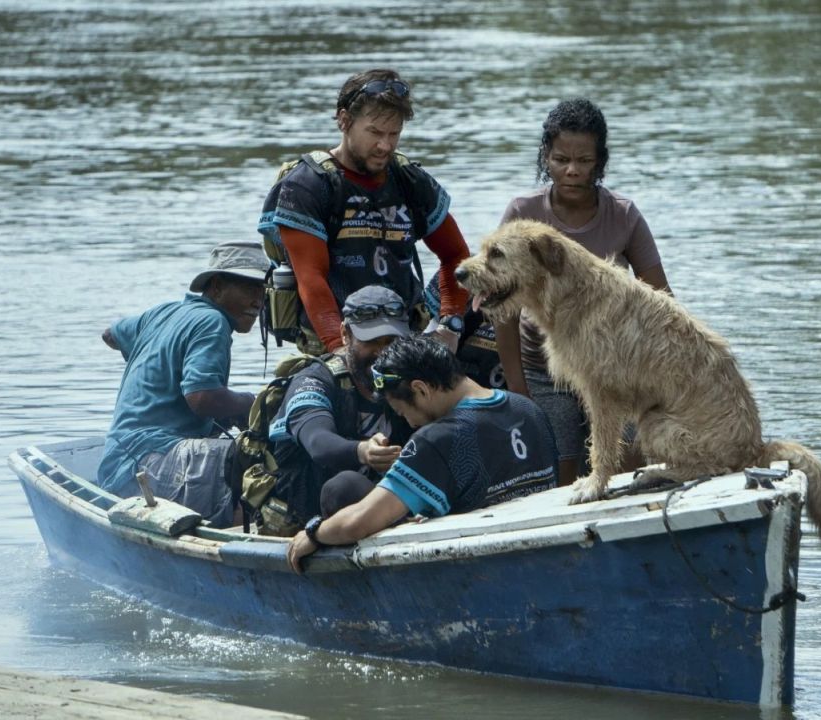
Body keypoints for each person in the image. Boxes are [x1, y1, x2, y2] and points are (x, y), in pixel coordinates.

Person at [494, 98, 673, 487]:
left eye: (584, 161)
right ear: (546, 156)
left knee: (631, 463)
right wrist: (518, 390)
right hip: (545, 369)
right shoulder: (523, 212)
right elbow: (503, 310)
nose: (572, 171)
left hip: (615, 367)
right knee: (558, 467)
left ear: (600, 161)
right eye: (560, 159)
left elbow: (662, 302)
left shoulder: (623, 215)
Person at [286, 335, 558, 573]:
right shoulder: (528, 409)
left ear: (421, 389)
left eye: (403, 412)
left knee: (342, 488)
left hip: (478, 566)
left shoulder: (437, 439)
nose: (412, 423)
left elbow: (357, 523)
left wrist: (314, 533)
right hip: (539, 546)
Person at [257, 67, 470, 356]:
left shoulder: (410, 180)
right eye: (375, 133)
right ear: (344, 121)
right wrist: (339, 350)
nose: (385, 145)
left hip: (403, 333)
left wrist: (449, 324)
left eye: (394, 134)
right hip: (336, 337)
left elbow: (456, 256)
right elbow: (311, 278)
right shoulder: (308, 185)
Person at [96, 241, 266, 527]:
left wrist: (158, 366)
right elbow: (201, 398)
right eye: (249, 288)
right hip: (149, 464)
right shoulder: (212, 322)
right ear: (216, 286)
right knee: (258, 456)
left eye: (263, 290)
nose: (258, 300)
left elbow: (110, 335)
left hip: (118, 459)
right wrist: (254, 403)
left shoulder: (163, 312)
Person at [261, 285, 416, 536]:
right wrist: (363, 451)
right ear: (345, 334)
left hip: (386, 506)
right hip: (312, 515)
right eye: (371, 341)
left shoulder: (410, 379)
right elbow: (318, 442)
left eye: (391, 342)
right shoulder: (314, 380)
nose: (382, 353)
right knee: (345, 485)